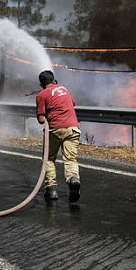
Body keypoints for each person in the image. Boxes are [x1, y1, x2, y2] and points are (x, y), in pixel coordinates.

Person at [35, 70, 81, 203]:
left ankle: (51, 190)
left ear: (41, 84)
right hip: (73, 128)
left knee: (49, 159)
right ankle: (73, 180)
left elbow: (41, 120)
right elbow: (73, 104)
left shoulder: (41, 95)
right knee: (70, 158)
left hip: (55, 130)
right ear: (54, 80)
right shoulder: (64, 89)